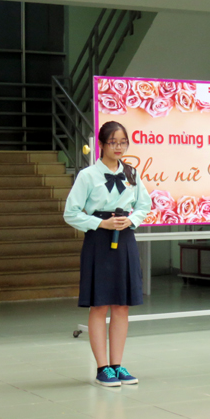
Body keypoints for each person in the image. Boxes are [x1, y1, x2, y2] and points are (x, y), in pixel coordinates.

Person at [64, 121, 151, 387]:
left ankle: (117, 365)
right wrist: (100, 223)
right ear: (101, 144)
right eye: (113, 142)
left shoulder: (132, 173)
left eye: (123, 142)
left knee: (122, 304)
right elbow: (71, 213)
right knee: (100, 304)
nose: (119, 147)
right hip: (99, 241)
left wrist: (131, 220)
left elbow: (144, 205)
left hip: (124, 240)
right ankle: (102, 368)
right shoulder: (87, 175)